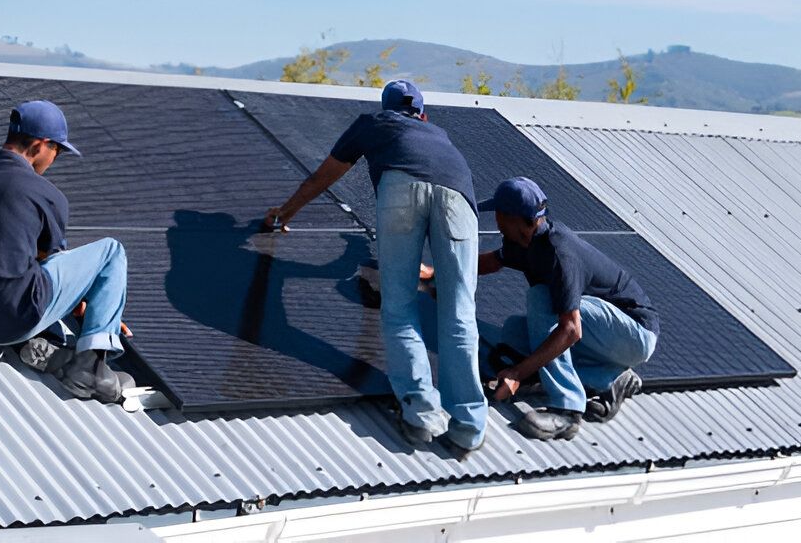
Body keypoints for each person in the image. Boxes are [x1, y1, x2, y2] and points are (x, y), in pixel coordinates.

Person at [265, 79, 486, 454]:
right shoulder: (440, 134)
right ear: (423, 114)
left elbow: (325, 176)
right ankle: (469, 426)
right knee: (460, 313)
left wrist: (285, 212)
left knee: (399, 307)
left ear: (386, 109)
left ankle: (420, 413)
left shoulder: (373, 123)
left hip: (400, 189)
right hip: (459, 195)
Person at [0, 100, 131, 403]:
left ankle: (48, 346)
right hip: (12, 319)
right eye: (57, 150)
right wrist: (97, 308)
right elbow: (53, 259)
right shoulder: (44, 193)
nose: (54, 159)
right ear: (41, 145)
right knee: (111, 251)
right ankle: (91, 366)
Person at [476, 177, 660, 441]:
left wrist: (518, 373)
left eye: (500, 214)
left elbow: (571, 330)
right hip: (603, 336)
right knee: (515, 331)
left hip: (634, 333)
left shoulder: (558, 253)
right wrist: (437, 272)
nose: (496, 221)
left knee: (541, 298)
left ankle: (567, 409)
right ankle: (608, 378)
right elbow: (492, 262)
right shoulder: (524, 243)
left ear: (520, 220)